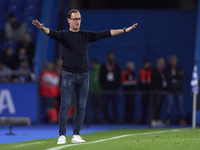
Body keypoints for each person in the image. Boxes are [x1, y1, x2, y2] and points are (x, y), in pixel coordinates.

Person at [32, 9, 138, 144]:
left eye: (79, 19)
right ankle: (62, 135)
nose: (77, 21)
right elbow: (51, 33)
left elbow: (104, 34)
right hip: (68, 75)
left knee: (81, 106)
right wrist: (42, 28)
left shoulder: (85, 35)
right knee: (65, 106)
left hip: (83, 76)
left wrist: (124, 30)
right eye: (75, 19)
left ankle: (76, 134)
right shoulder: (64, 35)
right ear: (68, 20)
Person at [99, 52, 121, 124]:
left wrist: (116, 86)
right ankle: (106, 118)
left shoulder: (116, 66)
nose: (111, 57)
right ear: (107, 57)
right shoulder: (104, 66)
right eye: (109, 56)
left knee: (115, 104)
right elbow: (101, 78)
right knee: (105, 104)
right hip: (106, 89)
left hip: (114, 89)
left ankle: (116, 119)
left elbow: (119, 77)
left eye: (112, 56)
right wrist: (104, 86)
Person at [164, 55, 186, 125]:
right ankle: (168, 119)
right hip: (170, 90)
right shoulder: (167, 69)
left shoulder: (179, 68)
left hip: (179, 90)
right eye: (172, 60)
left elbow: (181, 76)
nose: (173, 62)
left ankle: (181, 120)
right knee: (169, 107)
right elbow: (168, 77)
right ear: (170, 61)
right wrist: (177, 76)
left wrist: (174, 77)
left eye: (175, 60)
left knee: (180, 107)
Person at [151, 58, 167, 127]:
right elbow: (154, 81)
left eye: (163, 62)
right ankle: (153, 119)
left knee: (159, 105)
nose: (162, 64)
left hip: (162, 91)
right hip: (156, 91)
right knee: (155, 105)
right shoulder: (155, 70)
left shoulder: (162, 71)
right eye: (161, 62)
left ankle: (157, 119)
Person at [138, 58, 152, 124]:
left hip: (151, 92)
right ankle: (143, 120)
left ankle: (151, 120)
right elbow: (139, 81)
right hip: (143, 92)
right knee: (144, 107)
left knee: (152, 107)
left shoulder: (152, 70)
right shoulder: (141, 71)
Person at [89, 59, 102, 123]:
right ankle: (97, 119)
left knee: (99, 106)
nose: (91, 64)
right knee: (95, 107)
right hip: (93, 91)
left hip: (97, 91)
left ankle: (102, 119)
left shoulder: (98, 70)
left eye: (91, 63)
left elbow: (95, 82)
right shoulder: (93, 70)